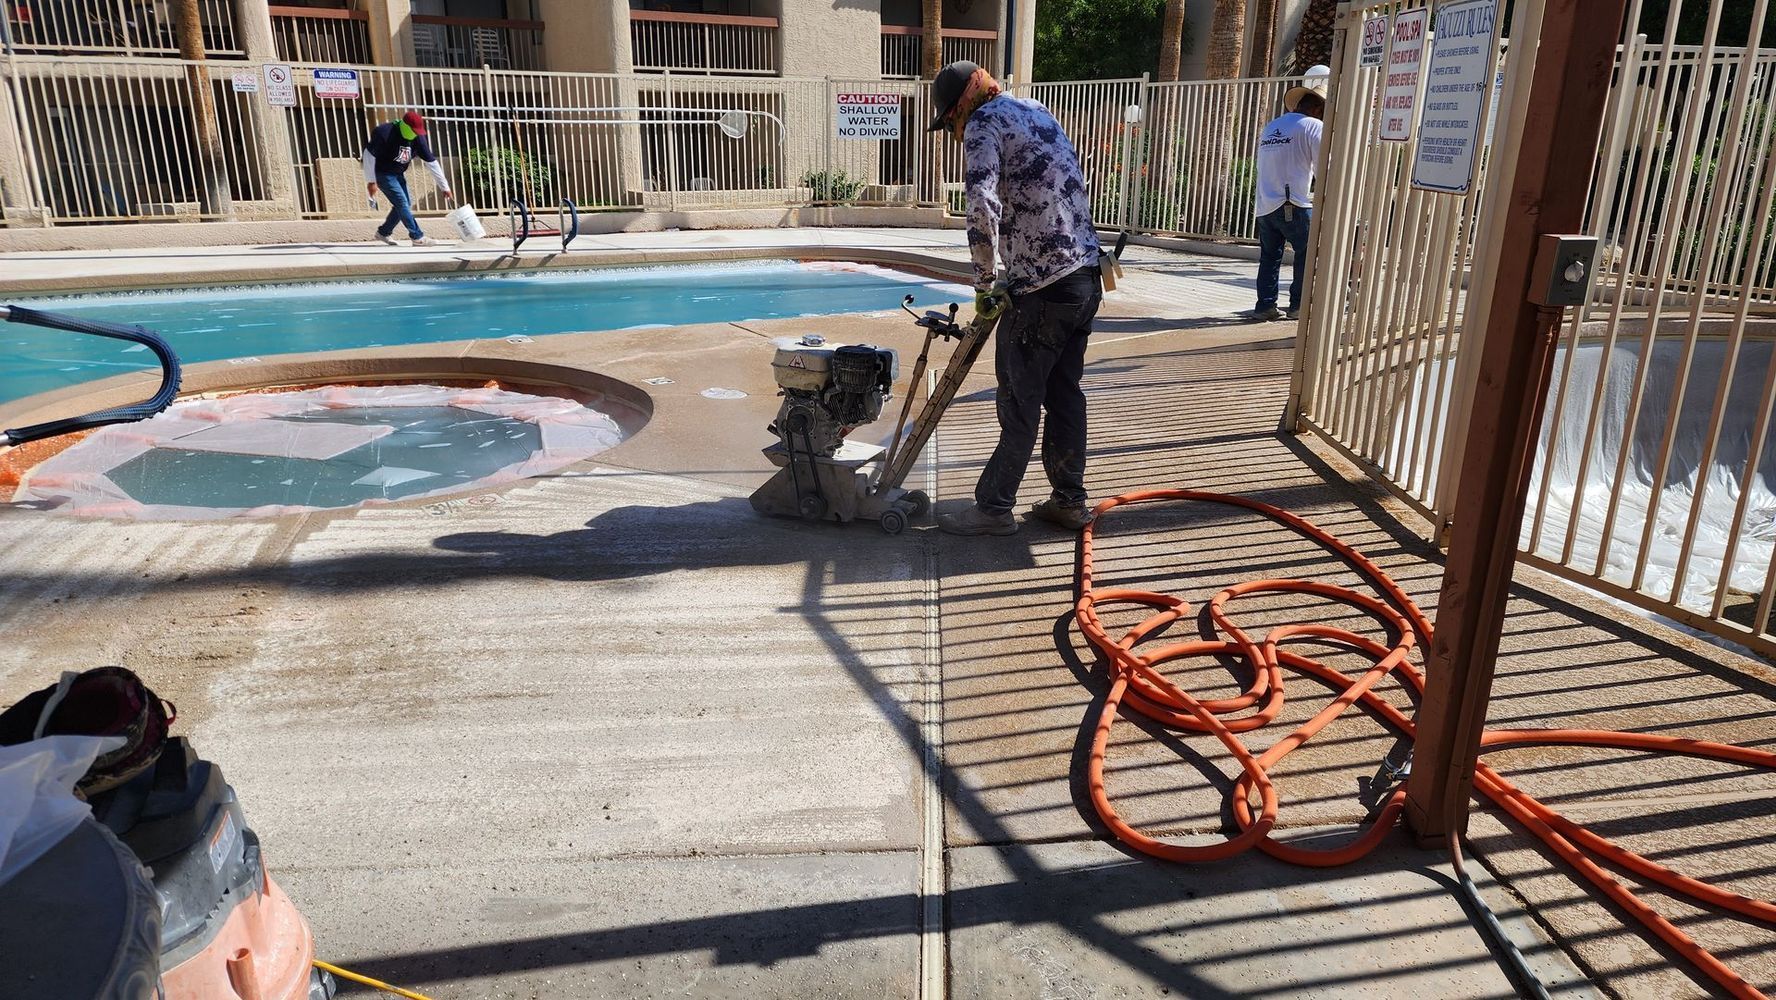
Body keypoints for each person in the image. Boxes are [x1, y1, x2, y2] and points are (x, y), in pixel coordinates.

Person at [927, 60, 1103, 537]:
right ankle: (1068, 501)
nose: (954, 132)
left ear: (962, 104)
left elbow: (982, 203)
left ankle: (993, 509)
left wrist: (984, 283)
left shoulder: (983, 123)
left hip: (1043, 289)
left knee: (1020, 398)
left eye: (950, 123)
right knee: (1065, 394)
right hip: (1086, 275)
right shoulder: (1036, 109)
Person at [1252, 87, 1325, 321]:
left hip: (1265, 203)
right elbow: (1325, 167)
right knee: (1307, 252)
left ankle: (1265, 306)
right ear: (1317, 109)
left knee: (1270, 256)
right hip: (1292, 202)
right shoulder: (1313, 126)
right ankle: (1298, 306)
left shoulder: (1272, 127)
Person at [363, 110, 453, 247]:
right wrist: (371, 181)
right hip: (382, 172)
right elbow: (368, 155)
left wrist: (444, 187)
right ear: (404, 126)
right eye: (414, 130)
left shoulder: (418, 138)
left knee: (404, 204)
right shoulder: (384, 132)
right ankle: (417, 237)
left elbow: (431, 163)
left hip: (398, 173)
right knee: (402, 202)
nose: (416, 134)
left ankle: (383, 232)